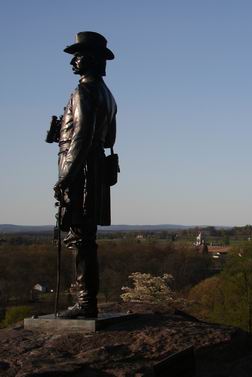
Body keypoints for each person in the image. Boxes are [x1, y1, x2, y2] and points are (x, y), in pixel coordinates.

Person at [53, 32, 117, 318]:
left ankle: (85, 302)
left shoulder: (83, 91)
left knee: (79, 237)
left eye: (76, 57)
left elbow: (82, 135)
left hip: (80, 171)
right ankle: (87, 300)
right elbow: (109, 136)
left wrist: (65, 175)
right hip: (95, 168)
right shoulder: (108, 95)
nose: (72, 64)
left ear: (89, 59)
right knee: (85, 237)